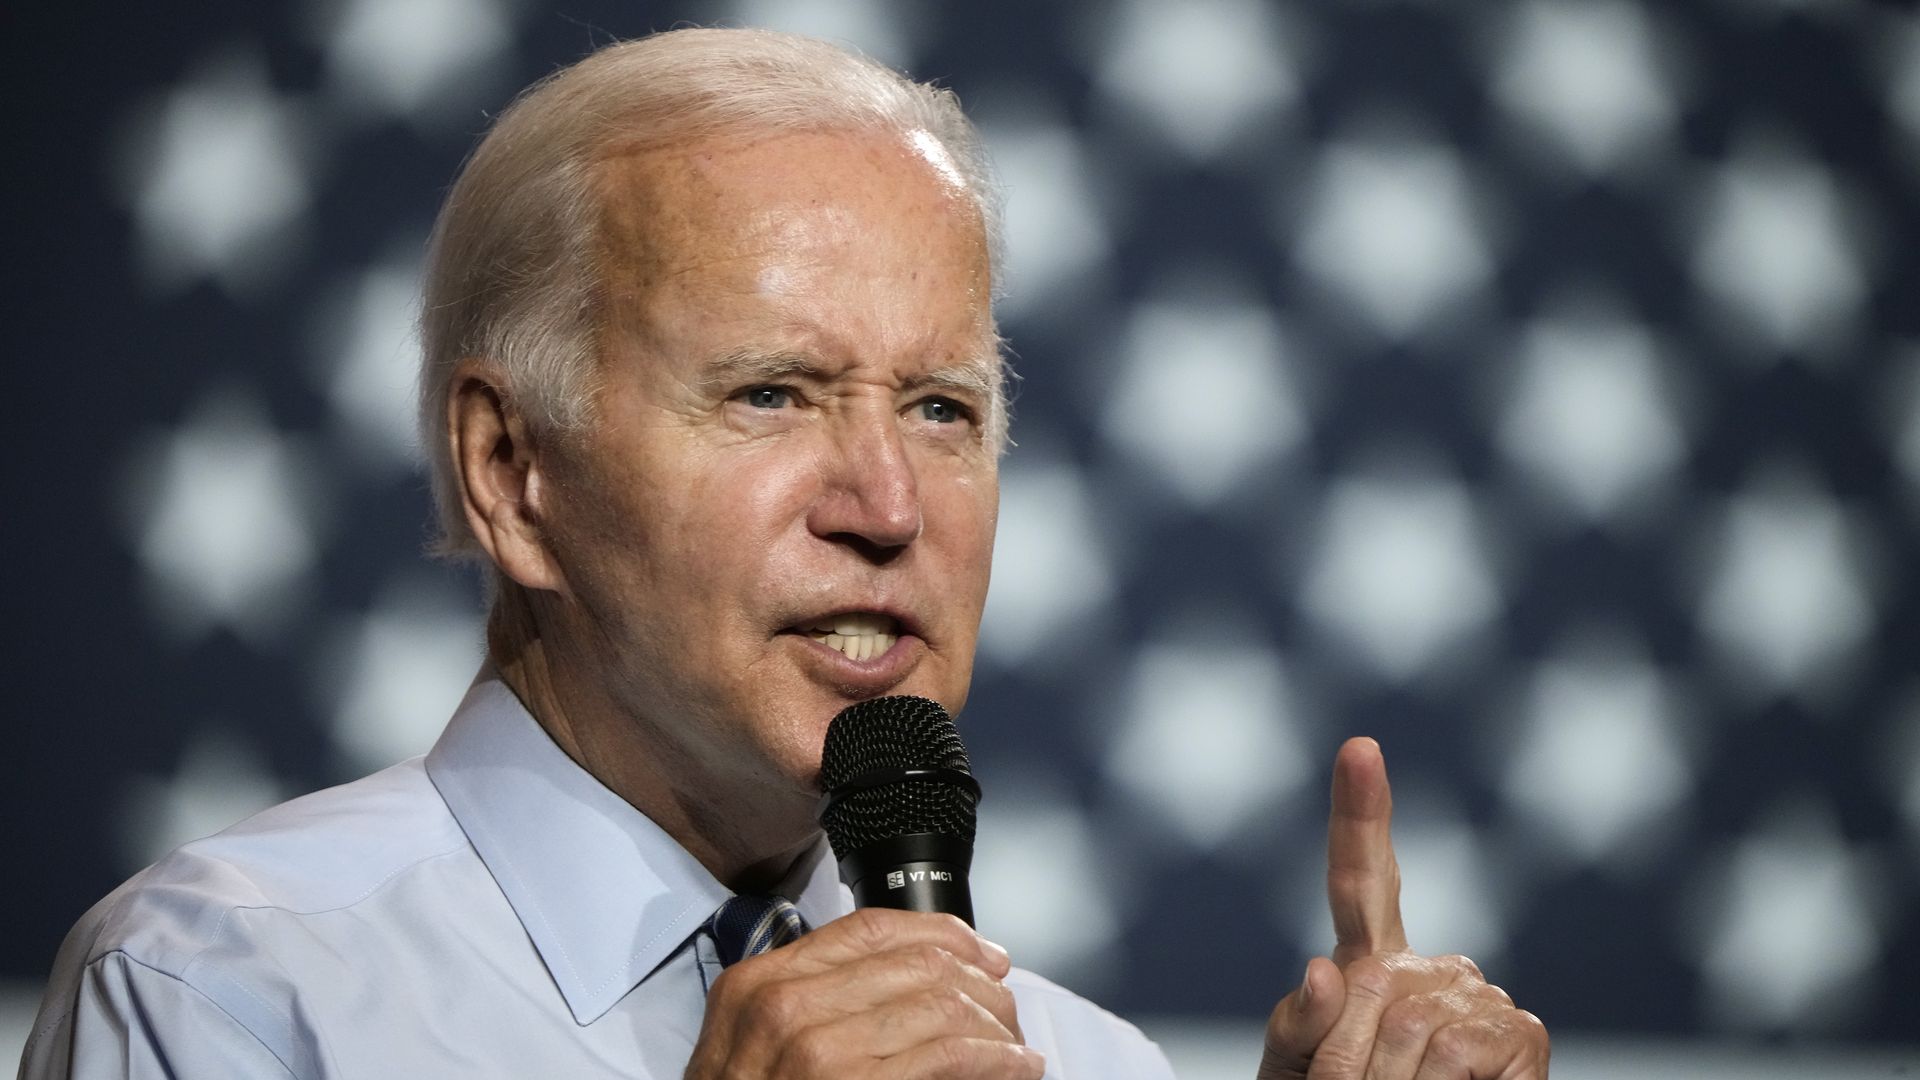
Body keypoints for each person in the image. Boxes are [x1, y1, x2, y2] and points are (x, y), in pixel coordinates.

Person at [20, 27, 1548, 1080]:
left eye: (944, 409)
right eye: (771, 394)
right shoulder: (231, 995)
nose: (888, 503)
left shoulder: (1085, 1063)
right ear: (512, 470)